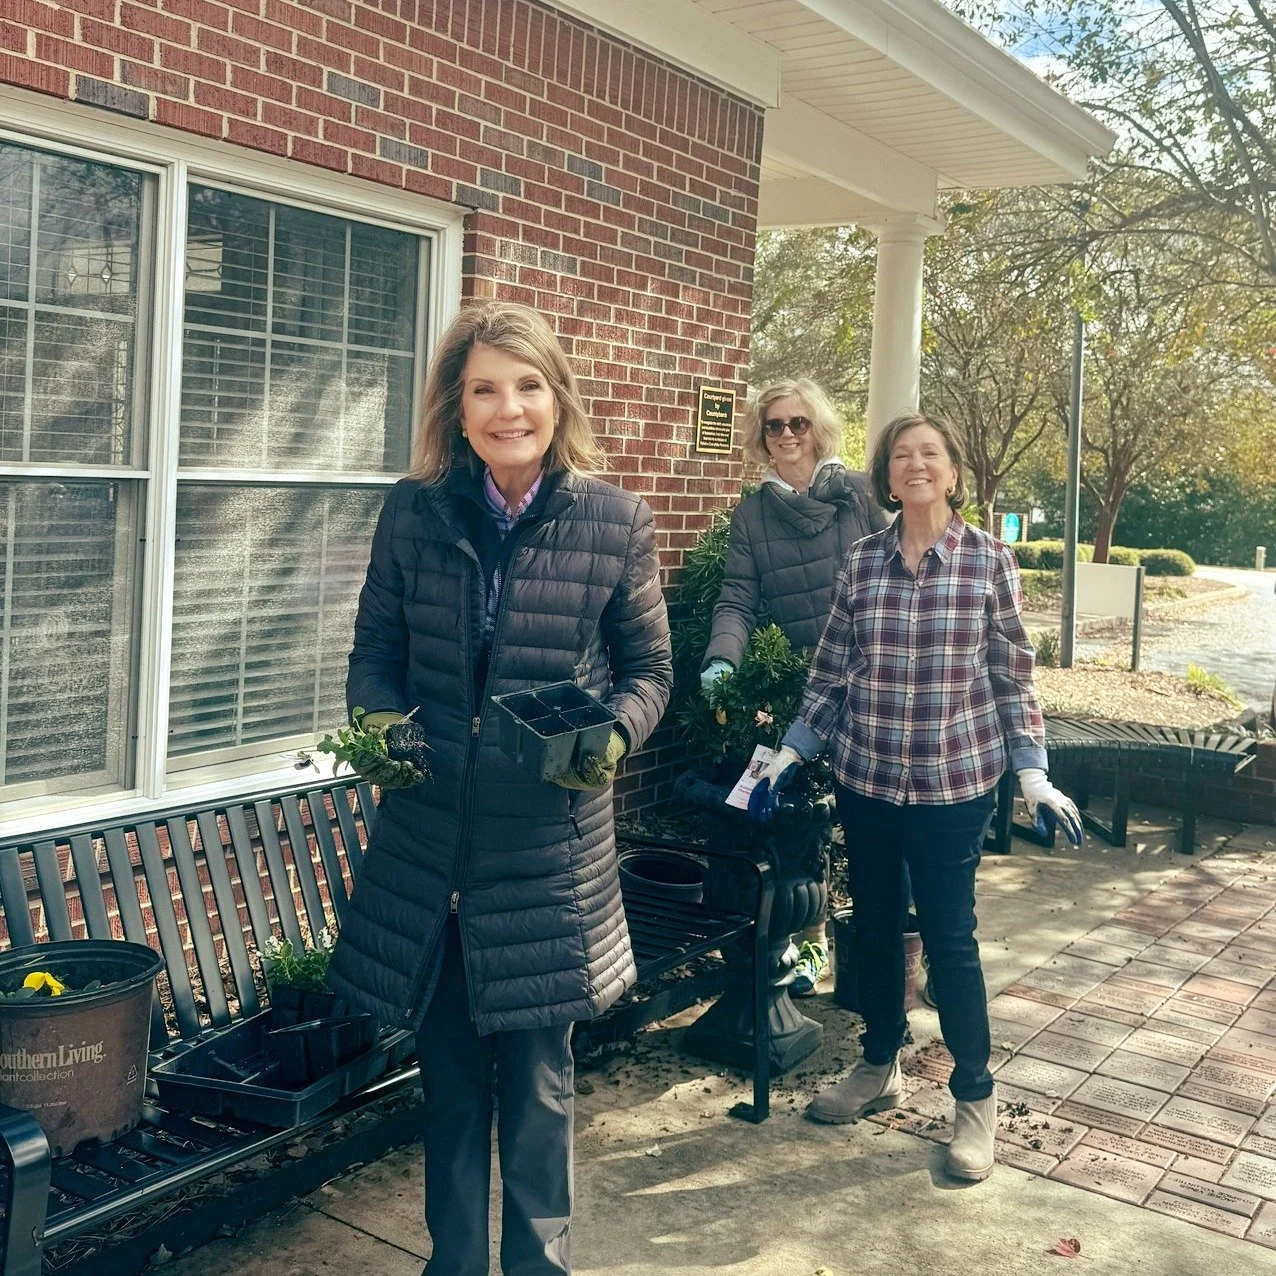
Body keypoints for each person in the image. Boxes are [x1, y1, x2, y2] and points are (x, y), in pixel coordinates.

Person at [325, 300, 673, 1275]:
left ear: (555, 399)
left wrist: (606, 739)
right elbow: (374, 653)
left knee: (536, 1094)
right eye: (484, 388)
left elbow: (650, 671)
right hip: (430, 851)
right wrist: (387, 733)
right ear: (457, 403)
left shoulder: (615, 521)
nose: (506, 407)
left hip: (545, 857)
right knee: (446, 1093)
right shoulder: (414, 509)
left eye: (525, 386)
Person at [754, 409, 1081, 1182]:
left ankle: (975, 1098)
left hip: (952, 785)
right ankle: (879, 1066)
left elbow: (1013, 673)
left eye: (929, 452)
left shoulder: (989, 562)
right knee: (870, 929)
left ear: (952, 471)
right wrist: (793, 749)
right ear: (886, 475)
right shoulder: (862, 564)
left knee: (950, 939)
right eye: (901, 455)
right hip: (867, 778)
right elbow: (831, 673)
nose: (915, 464)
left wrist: (1030, 768)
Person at [700, 379, 886, 995]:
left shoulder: (858, 492)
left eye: (797, 424)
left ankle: (914, 947)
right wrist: (721, 662)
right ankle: (814, 947)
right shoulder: (753, 515)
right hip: (805, 689)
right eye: (774, 425)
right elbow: (737, 600)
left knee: (887, 820)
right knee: (800, 819)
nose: (786, 436)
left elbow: (909, 558)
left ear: (818, 429)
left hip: (879, 679)